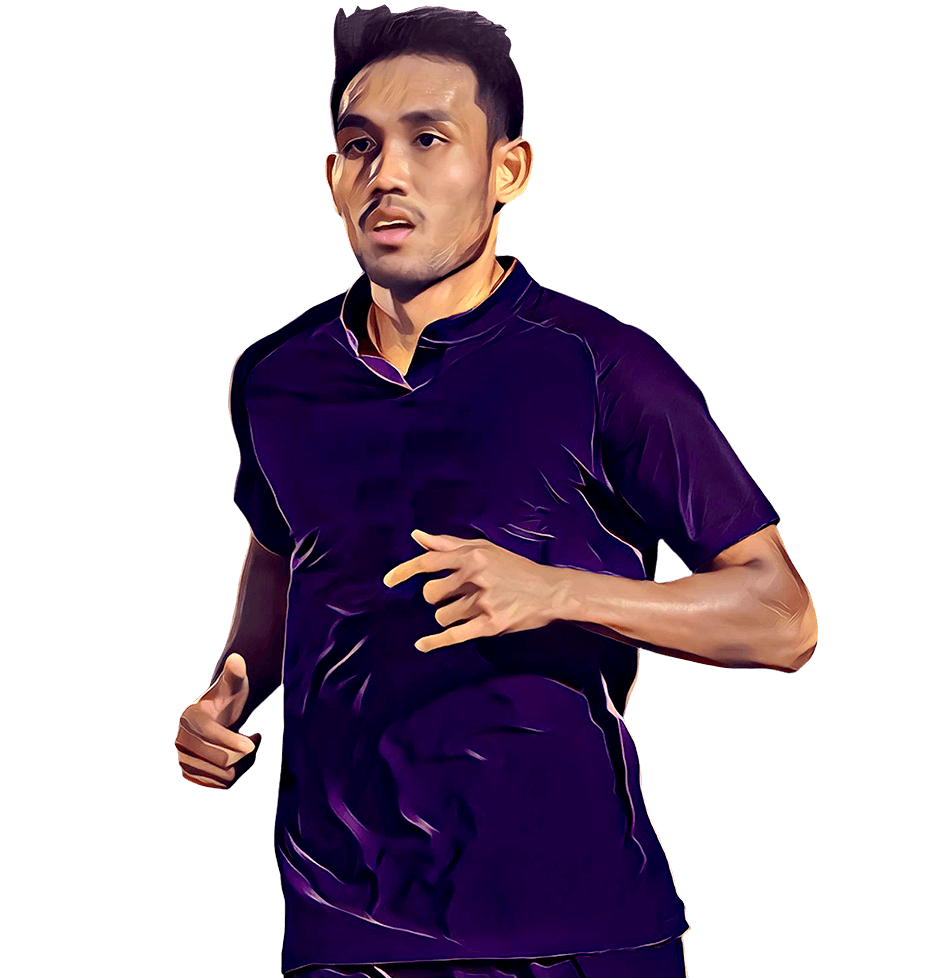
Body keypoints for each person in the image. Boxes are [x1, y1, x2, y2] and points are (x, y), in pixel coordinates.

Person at [175, 7, 818, 978]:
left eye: (428, 139)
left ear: (508, 169)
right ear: (331, 177)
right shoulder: (272, 376)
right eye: (360, 146)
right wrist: (230, 686)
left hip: (574, 932)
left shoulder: (601, 364)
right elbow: (282, 557)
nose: (387, 175)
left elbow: (784, 619)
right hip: (339, 931)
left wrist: (557, 591)